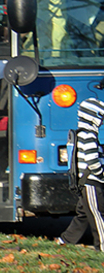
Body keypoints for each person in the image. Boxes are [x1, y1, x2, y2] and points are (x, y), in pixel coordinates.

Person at [56, 98, 104, 250]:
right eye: (100, 116)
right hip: (92, 182)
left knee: (83, 214)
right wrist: (101, 174)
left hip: (87, 182)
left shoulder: (83, 134)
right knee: (98, 214)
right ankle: (102, 245)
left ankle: (65, 240)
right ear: (92, 116)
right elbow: (92, 159)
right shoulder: (89, 135)